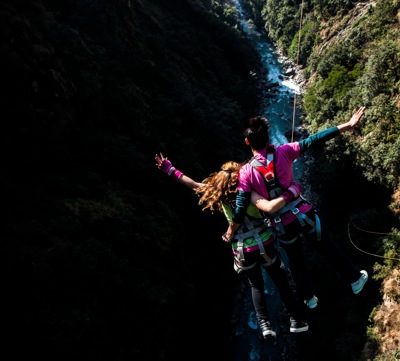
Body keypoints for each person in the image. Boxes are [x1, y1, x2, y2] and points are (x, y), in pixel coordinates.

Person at [223, 106, 369, 309]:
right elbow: (314, 139)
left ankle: (309, 299)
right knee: (327, 247)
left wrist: (232, 230)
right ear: (268, 137)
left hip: (281, 225)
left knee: (296, 262)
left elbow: (239, 208)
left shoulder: (246, 172)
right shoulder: (285, 151)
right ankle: (354, 280)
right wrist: (348, 125)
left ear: (247, 142)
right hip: (303, 213)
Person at [155, 153, 309, 339]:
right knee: (280, 280)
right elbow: (270, 205)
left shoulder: (218, 192)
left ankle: (265, 325)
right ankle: (296, 320)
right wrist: (290, 189)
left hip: (243, 249)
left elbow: (194, 185)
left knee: (256, 285)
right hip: (265, 241)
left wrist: (170, 170)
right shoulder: (251, 191)